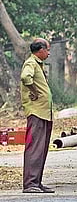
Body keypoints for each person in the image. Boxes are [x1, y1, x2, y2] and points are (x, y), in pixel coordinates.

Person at [20, 38, 55, 193]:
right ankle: (30, 184)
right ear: (40, 50)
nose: (48, 52)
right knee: (34, 148)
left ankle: (37, 182)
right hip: (36, 112)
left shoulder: (38, 64)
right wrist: (34, 92)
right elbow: (25, 78)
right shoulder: (31, 63)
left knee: (41, 149)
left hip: (44, 113)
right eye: (47, 49)